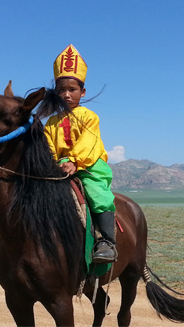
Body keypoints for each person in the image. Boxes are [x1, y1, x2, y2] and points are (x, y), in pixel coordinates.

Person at [44, 44, 117, 264]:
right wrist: (53, 162)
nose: (66, 94)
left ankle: (106, 241)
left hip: (89, 165)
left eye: (72, 90)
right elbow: (48, 145)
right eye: (61, 90)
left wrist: (75, 161)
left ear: (82, 92)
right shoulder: (51, 122)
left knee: (96, 193)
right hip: (59, 166)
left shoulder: (89, 116)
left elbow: (89, 143)